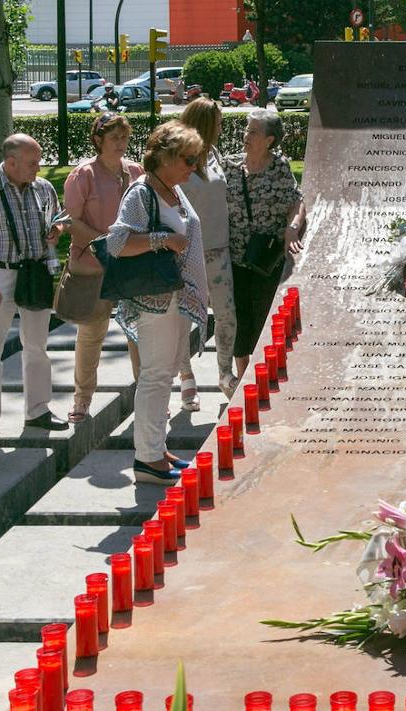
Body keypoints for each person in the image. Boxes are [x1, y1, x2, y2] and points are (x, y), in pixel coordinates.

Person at [106, 122, 209, 485]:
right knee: (154, 376)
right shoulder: (141, 192)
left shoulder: (171, 188)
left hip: (175, 297)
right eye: (188, 159)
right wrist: (163, 240)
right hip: (155, 299)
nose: (193, 166)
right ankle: (147, 460)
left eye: (197, 159)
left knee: (163, 375)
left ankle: (156, 449)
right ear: (164, 157)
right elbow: (117, 243)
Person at [0, 134, 70, 441]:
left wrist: (57, 228)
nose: (38, 168)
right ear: (10, 162)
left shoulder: (43, 187)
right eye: (33, 162)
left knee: (37, 347)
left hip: (36, 272)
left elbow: (58, 217)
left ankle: (38, 410)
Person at [62, 113, 144, 422]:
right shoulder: (83, 175)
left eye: (124, 137)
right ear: (99, 141)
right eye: (114, 138)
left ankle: (146, 395)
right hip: (93, 265)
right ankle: (82, 399)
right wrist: (104, 243)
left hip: (131, 267)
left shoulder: (137, 171)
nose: (121, 143)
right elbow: (70, 221)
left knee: (137, 333)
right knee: (91, 333)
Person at [226, 110, 304, 375]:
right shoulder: (230, 166)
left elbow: (297, 200)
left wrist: (292, 228)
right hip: (234, 259)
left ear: (269, 140)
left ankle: (260, 375)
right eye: (247, 129)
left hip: (264, 262)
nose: (246, 135)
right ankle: (241, 378)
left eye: (253, 131)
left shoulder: (278, 168)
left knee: (262, 320)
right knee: (238, 322)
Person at [176, 97, 239, 401]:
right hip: (188, 253)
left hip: (218, 248)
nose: (221, 128)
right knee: (184, 317)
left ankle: (225, 374)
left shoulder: (213, 154)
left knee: (227, 315)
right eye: (218, 123)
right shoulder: (178, 159)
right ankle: (186, 375)